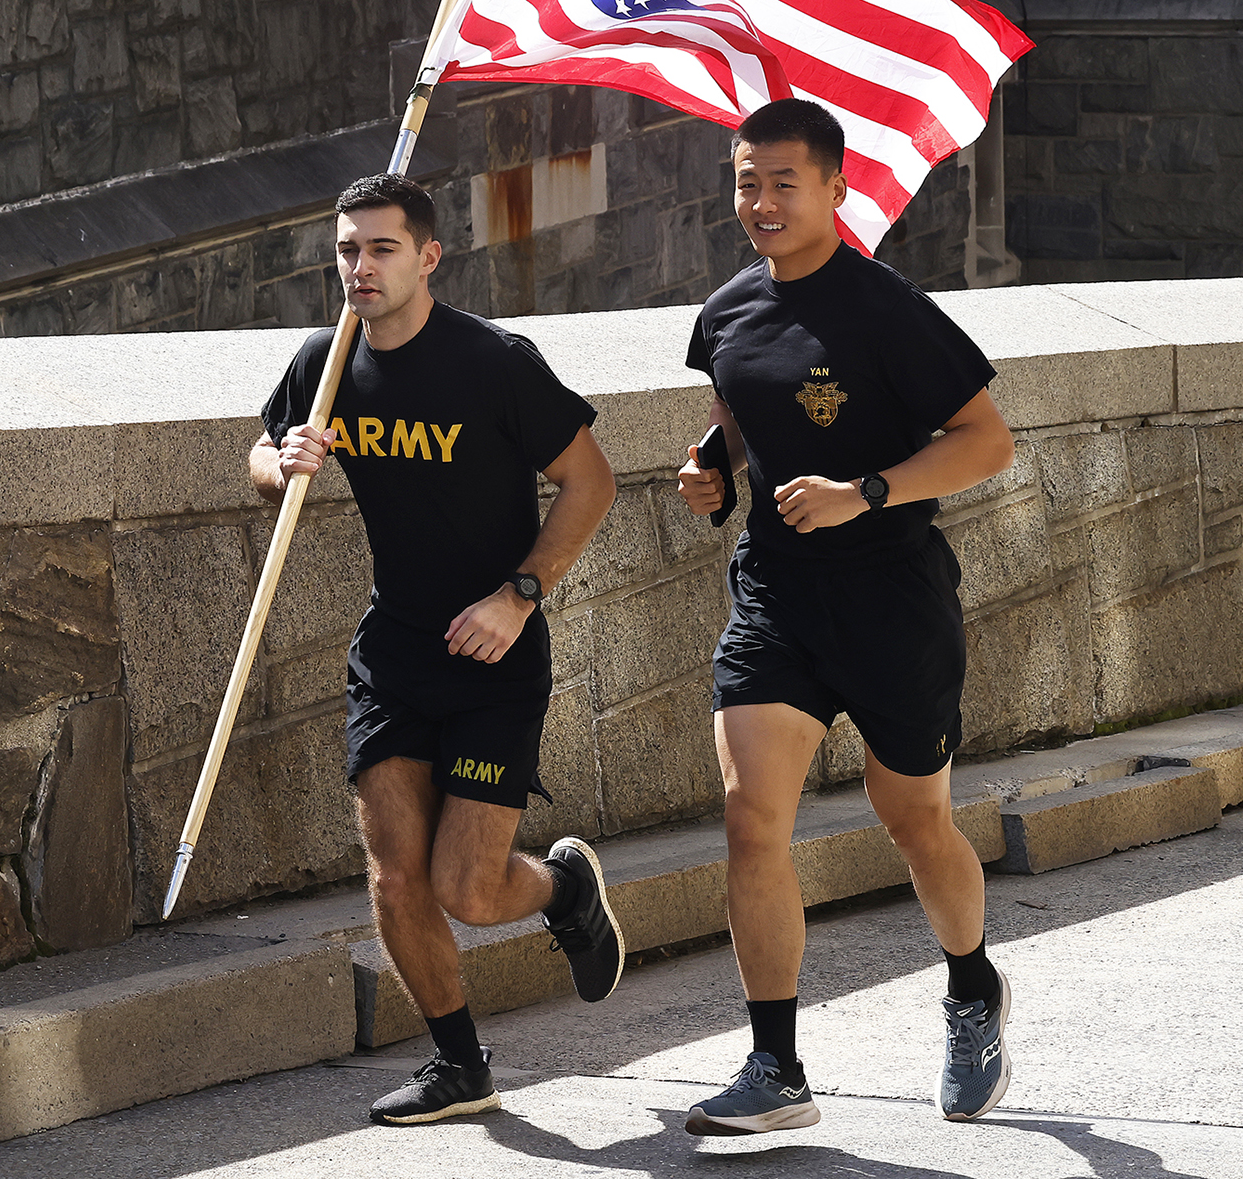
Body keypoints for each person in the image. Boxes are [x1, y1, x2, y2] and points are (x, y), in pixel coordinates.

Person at [673, 98, 1017, 1136]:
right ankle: (775, 1067)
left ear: (833, 188)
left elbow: (985, 440)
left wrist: (864, 489)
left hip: (892, 600)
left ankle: (971, 985)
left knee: (912, 817)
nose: (762, 202)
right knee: (749, 817)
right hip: (777, 596)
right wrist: (712, 465)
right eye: (746, 181)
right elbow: (743, 400)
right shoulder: (727, 310)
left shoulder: (886, 308)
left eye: (784, 182)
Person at [252, 172, 624, 1127]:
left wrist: (521, 595)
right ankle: (461, 1065)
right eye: (346, 250)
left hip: (496, 653)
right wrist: (283, 459)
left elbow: (591, 481)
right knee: (393, 872)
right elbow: (261, 453)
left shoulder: (494, 361)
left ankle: (563, 884)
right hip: (394, 650)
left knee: (467, 884)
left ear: (428, 256)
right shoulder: (328, 361)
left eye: (381, 249)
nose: (360, 268)